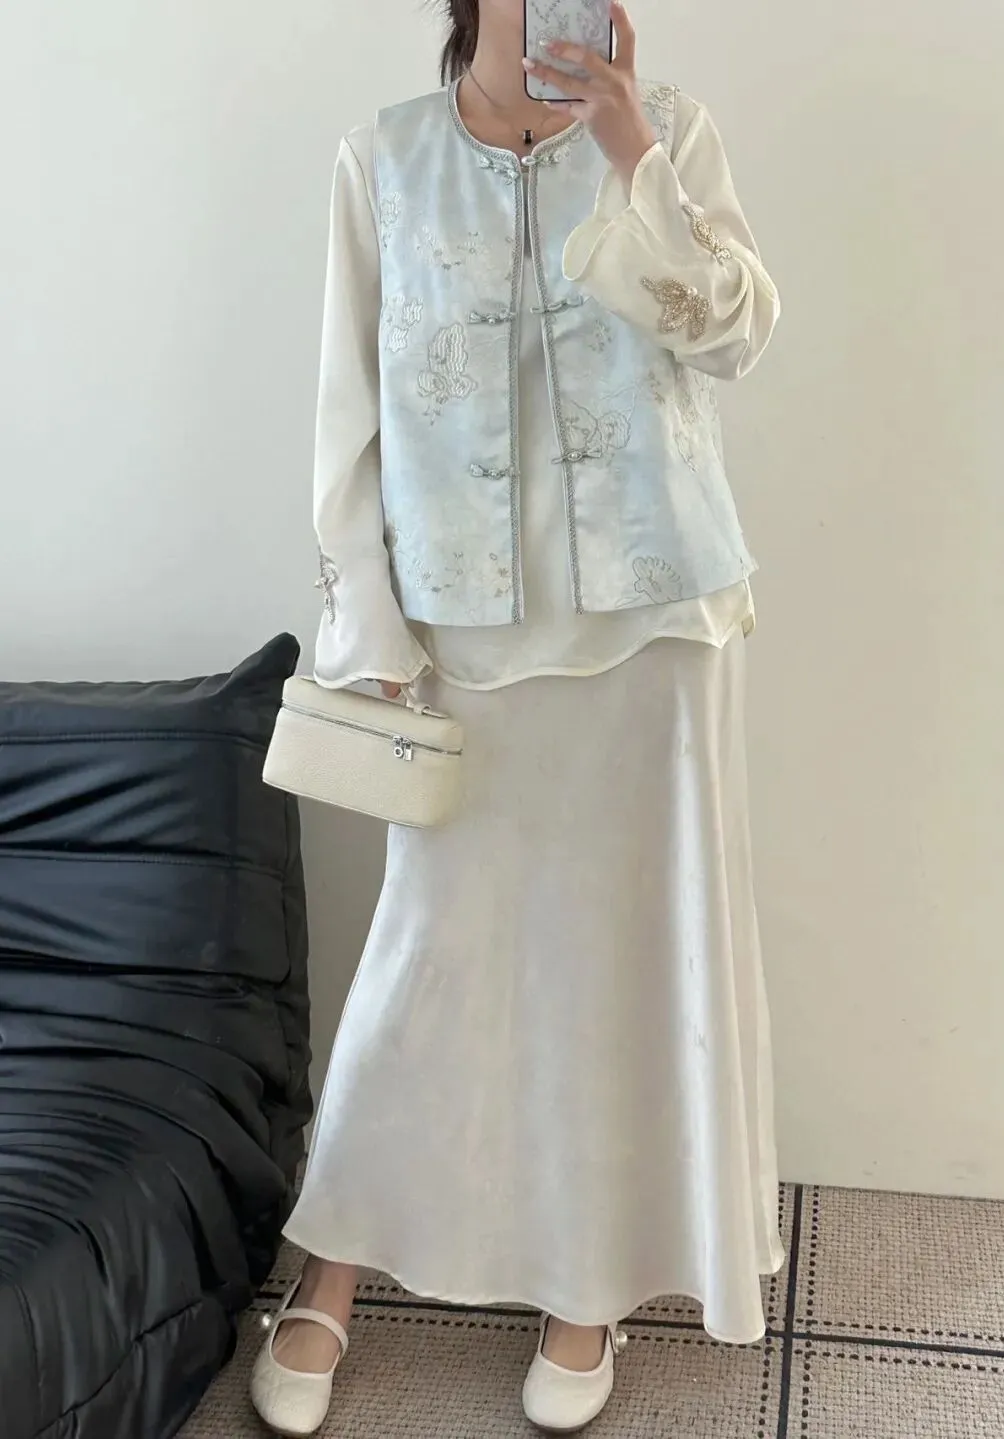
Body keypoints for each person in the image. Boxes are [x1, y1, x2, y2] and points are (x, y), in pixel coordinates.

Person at [251, 0, 783, 1432]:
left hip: (655, 623)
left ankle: (584, 1284)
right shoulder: (382, 159)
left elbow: (735, 333)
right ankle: (332, 1266)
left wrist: (633, 155)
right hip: (468, 636)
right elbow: (347, 412)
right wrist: (369, 627)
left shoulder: (667, 133)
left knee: (623, 959)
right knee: (430, 960)